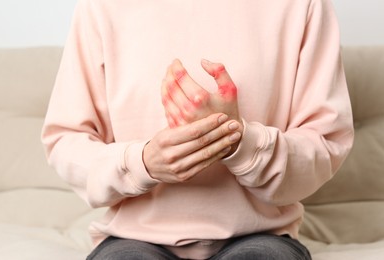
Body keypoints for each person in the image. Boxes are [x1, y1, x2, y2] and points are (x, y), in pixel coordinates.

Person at [41, 0, 354, 259]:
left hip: (261, 237)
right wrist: (142, 163)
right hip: (133, 239)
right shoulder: (101, 7)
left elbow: (326, 142)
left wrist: (239, 142)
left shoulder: (303, 6)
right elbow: (65, 140)